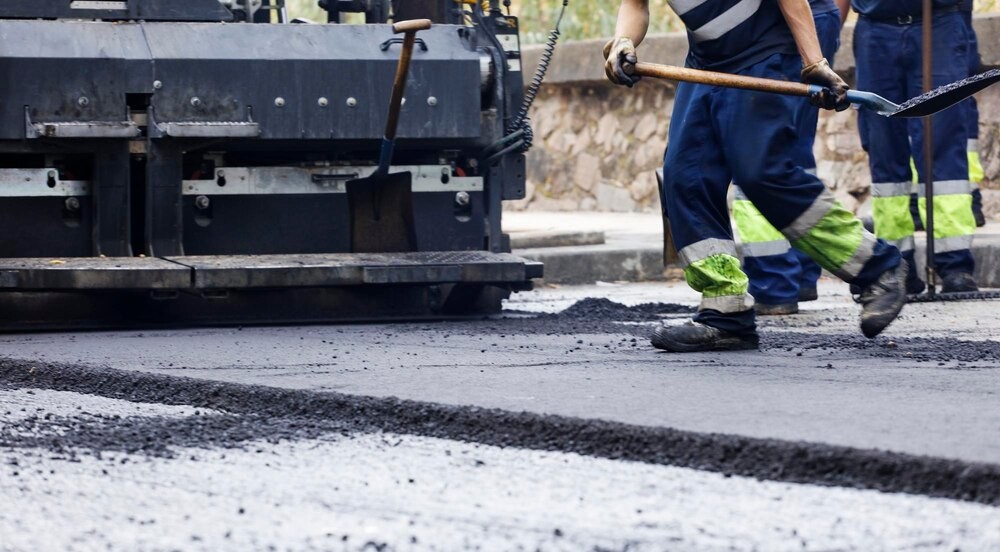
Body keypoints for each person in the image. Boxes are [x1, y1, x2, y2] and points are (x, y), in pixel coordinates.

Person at [605, 0, 907, 352]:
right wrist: (623, 41)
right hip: (708, 60)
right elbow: (634, 5)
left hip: (766, 51)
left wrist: (814, 62)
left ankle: (876, 267)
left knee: (762, 171)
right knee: (685, 176)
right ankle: (725, 311)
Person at [731, 0, 849, 315]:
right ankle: (800, 275)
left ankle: (775, 284)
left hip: (776, 24)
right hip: (813, 18)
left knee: (755, 151)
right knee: (792, 148)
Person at [853, 0, 978, 294]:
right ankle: (897, 262)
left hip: (938, 23)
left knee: (943, 140)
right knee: (883, 145)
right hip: (875, 27)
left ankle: (954, 263)